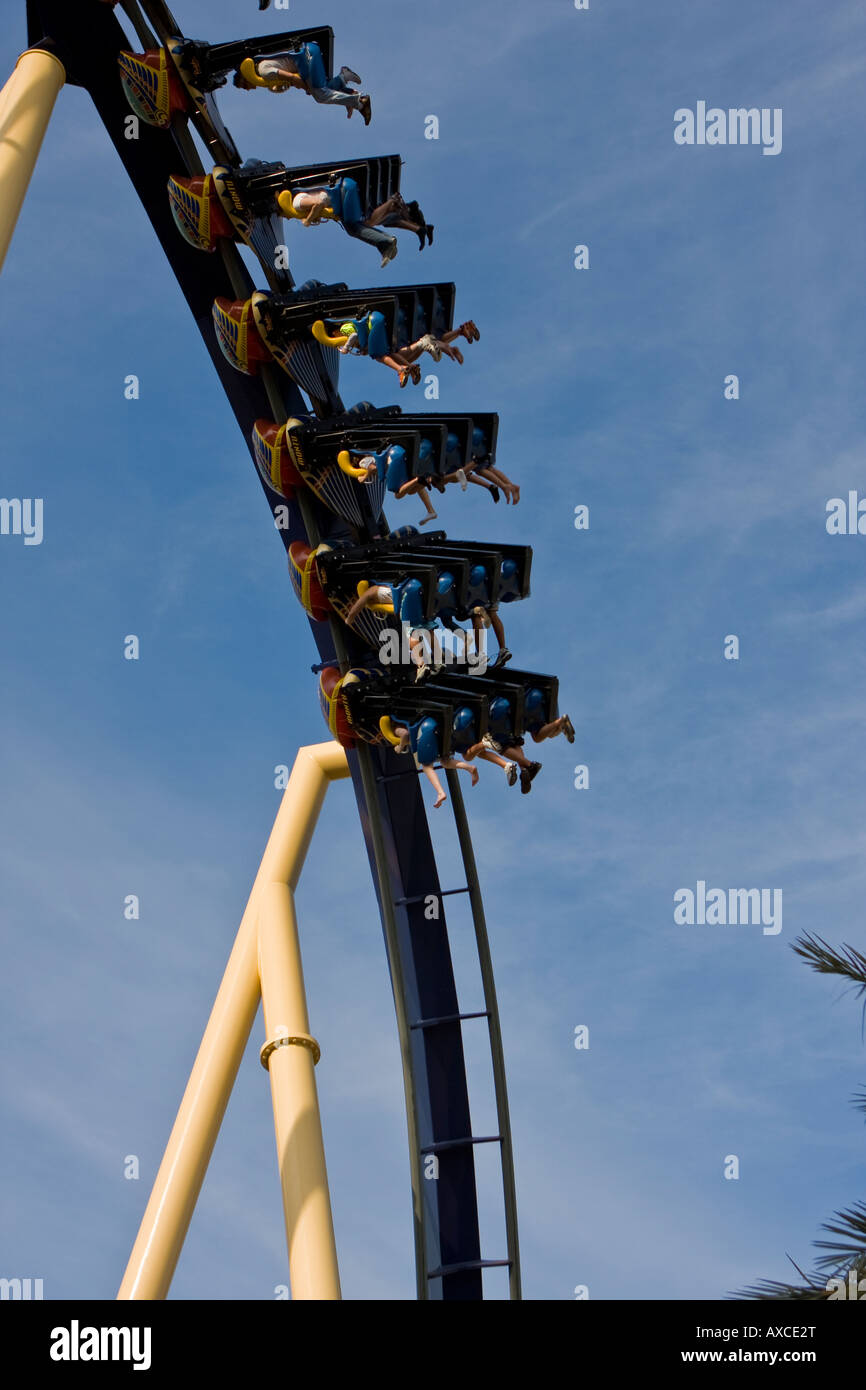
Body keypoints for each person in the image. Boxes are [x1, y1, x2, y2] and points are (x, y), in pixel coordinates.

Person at [312, 311, 480, 388]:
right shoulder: (348, 329)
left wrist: (346, 349)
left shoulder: (343, 329)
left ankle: (402, 369)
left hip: (376, 324)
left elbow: (355, 336)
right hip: (380, 327)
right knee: (401, 353)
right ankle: (461, 331)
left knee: (378, 355)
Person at [233, 42, 372, 125]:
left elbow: (294, 78)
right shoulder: (264, 73)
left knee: (320, 95)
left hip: (306, 58)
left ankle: (359, 102)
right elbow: (292, 80)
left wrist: (306, 87)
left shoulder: (263, 71)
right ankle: (343, 77)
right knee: (324, 88)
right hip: (306, 57)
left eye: (244, 86)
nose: (247, 90)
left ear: (246, 77)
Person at [279, 178, 399, 267]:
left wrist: (308, 220)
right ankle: (386, 243)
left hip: (345, 193)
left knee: (352, 226)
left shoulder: (296, 202)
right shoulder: (301, 195)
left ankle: (386, 242)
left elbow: (319, 202)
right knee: (353, 225)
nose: (287, 218)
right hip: (346, 191)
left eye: (284, 216)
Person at [387, 720, 478, 810]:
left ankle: (440, 792)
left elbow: (405, 734)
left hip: (426, 730)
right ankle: (469, 767)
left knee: (427, 766)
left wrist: (399, 747)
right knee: (445, 761)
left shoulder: (396, 725)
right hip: (441, 728)